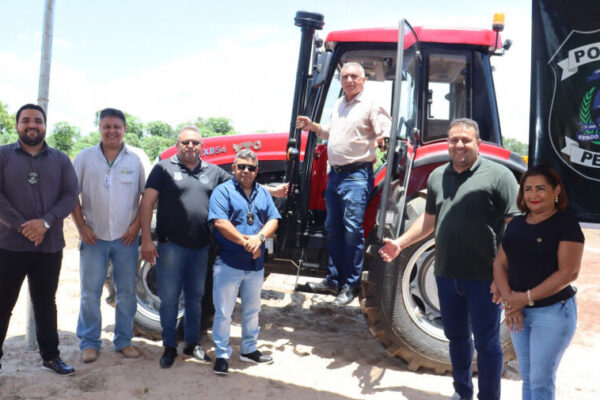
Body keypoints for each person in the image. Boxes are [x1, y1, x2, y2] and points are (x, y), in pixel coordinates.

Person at [379, 118, 519, 400]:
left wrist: (503, 276)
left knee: (488, 342)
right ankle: (462, 392)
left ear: (478, 143)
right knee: (456, 339)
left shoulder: (500, 176)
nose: (459, 145)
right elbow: (429, 221)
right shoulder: (437, 176)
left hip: (484, 279)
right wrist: (400, 243)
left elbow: (516, 229)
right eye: (454, 140)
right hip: (445, 275)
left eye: (466, 140)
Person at [295, 62, 391, 305]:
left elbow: (384, 128)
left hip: (357, 176)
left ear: (363, 80)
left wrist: (384, 138)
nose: (349, 80)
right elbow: (334, 134)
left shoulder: (371, 103)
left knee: (352, 230)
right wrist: (313, 127)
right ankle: (333, 279)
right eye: (345, 76)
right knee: (334, 227)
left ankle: (351, 284)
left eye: (354, 76)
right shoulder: (339, 104)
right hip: (335, 175)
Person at [140, 126, 231, 368]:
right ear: (178, 144)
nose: (190, 146)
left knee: (195, 298)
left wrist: (271, 190)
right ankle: (169, 345)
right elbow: (147, 203)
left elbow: (243, 184)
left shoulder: (212, 172)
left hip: (201, 247)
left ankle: (192, 343)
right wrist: (147, 240)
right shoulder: (162, 169)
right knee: (169, 299)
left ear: (202, 146)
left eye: (195, 143)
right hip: (171, 246)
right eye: (185, 142)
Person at [493, 165, 584, 400]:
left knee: (541, 381)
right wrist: (511, 303)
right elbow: (500, 264)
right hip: (518, 312)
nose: (533, 195)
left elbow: (569, 272)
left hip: (553, 313)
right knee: (529, 377)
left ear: (556, 191)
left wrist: (525, 298)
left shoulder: (566, 225)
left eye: (540, 188)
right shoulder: (516, 224)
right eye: (528, 189)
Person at [0, 104, 78, 375]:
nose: (32, 125)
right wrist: (24, 227)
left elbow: (70, 195)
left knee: (46, 302)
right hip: (9, 246)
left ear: (45, 125)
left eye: (37, 121)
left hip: (49, 246)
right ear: (17, 125)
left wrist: (44, 222)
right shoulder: (3, 155)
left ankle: (50, 356)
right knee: (3, 303)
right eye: (26, 121)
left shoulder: (60, 159)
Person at [72, 108, 151, 363]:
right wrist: (82, 227)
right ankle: (89, 343)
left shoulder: (136, 159)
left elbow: (146, 198)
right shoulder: (84, 158)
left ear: (124, 129)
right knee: (89, 292)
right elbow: (71, 195)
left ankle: (123, 341)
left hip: (125, 238)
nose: (112, 131)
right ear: (100, 129)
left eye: (117, 126)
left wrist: (136, 227)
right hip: (93, 238)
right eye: (107, 126)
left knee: (127, 292)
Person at [208, 149, 280, 375]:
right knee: (224, 311)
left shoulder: (263, 193)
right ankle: (221, 354)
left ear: (257, 170)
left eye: (250, 167)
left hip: (255, 266)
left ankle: (249, 350)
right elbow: (220, 222)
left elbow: (273, 219)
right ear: (233, 168)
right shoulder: (223, 191)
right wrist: (246, 243)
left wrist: (259, 238)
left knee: (252, 310)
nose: (246, 171)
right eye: (241, 167)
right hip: (229, 262)